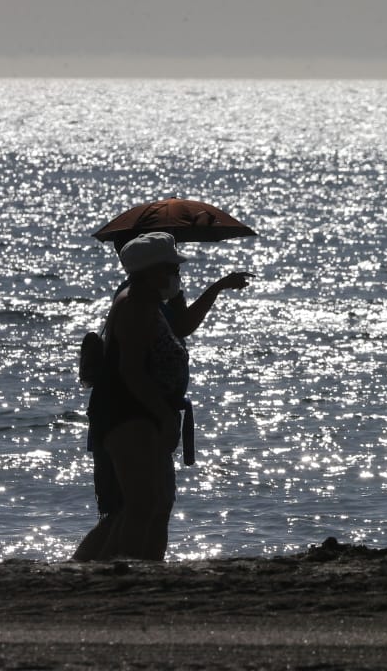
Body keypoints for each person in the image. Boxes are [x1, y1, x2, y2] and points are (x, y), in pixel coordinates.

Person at [73, 232, 249, 561]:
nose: (175, 275)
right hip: (128, 414)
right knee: (139, 504)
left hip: (144, 412)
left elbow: (181, 325)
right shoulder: (135, 304)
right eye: (170, 269)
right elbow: (132, 371)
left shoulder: (151, 301)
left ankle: (140, 565)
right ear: (151, 270)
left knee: (153, 502)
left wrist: (216, 288)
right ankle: (112, 569)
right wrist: (164, 415)